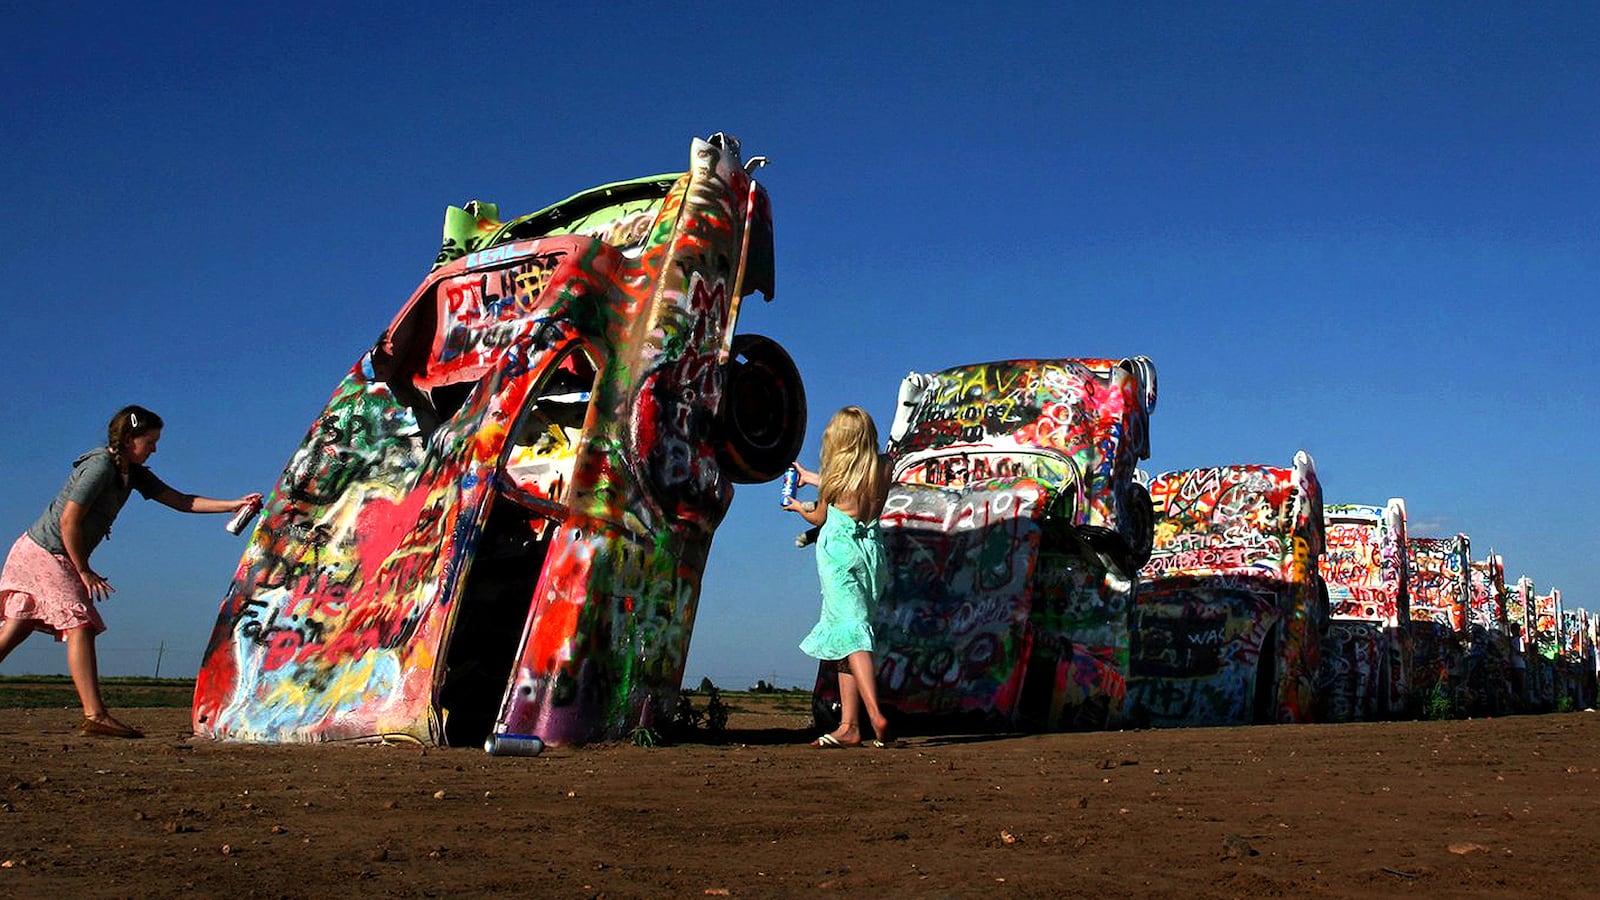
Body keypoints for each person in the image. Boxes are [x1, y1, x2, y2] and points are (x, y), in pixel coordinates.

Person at [0, 406, 262, 738]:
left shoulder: (134, 473)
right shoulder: (99, 466)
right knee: (80, 623)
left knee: (17, 628)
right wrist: (83, 570)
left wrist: (234, 504)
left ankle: (95, 715)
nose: (154, 449)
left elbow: (182, 501)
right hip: (46, 552)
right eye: (150, 441)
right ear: (128, 439)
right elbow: (69, 520)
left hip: (46, 551)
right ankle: (95, 715)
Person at [783, 406, 894, 748]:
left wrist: (798, 506)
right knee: (847, 635)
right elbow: (851, 484)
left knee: (852, 631)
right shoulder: (885, 466)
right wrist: (812, 477)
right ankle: (849, 726)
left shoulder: (834, 477)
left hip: (839, 556)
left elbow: (819, 517)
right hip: (871, 555)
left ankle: (875, 715)